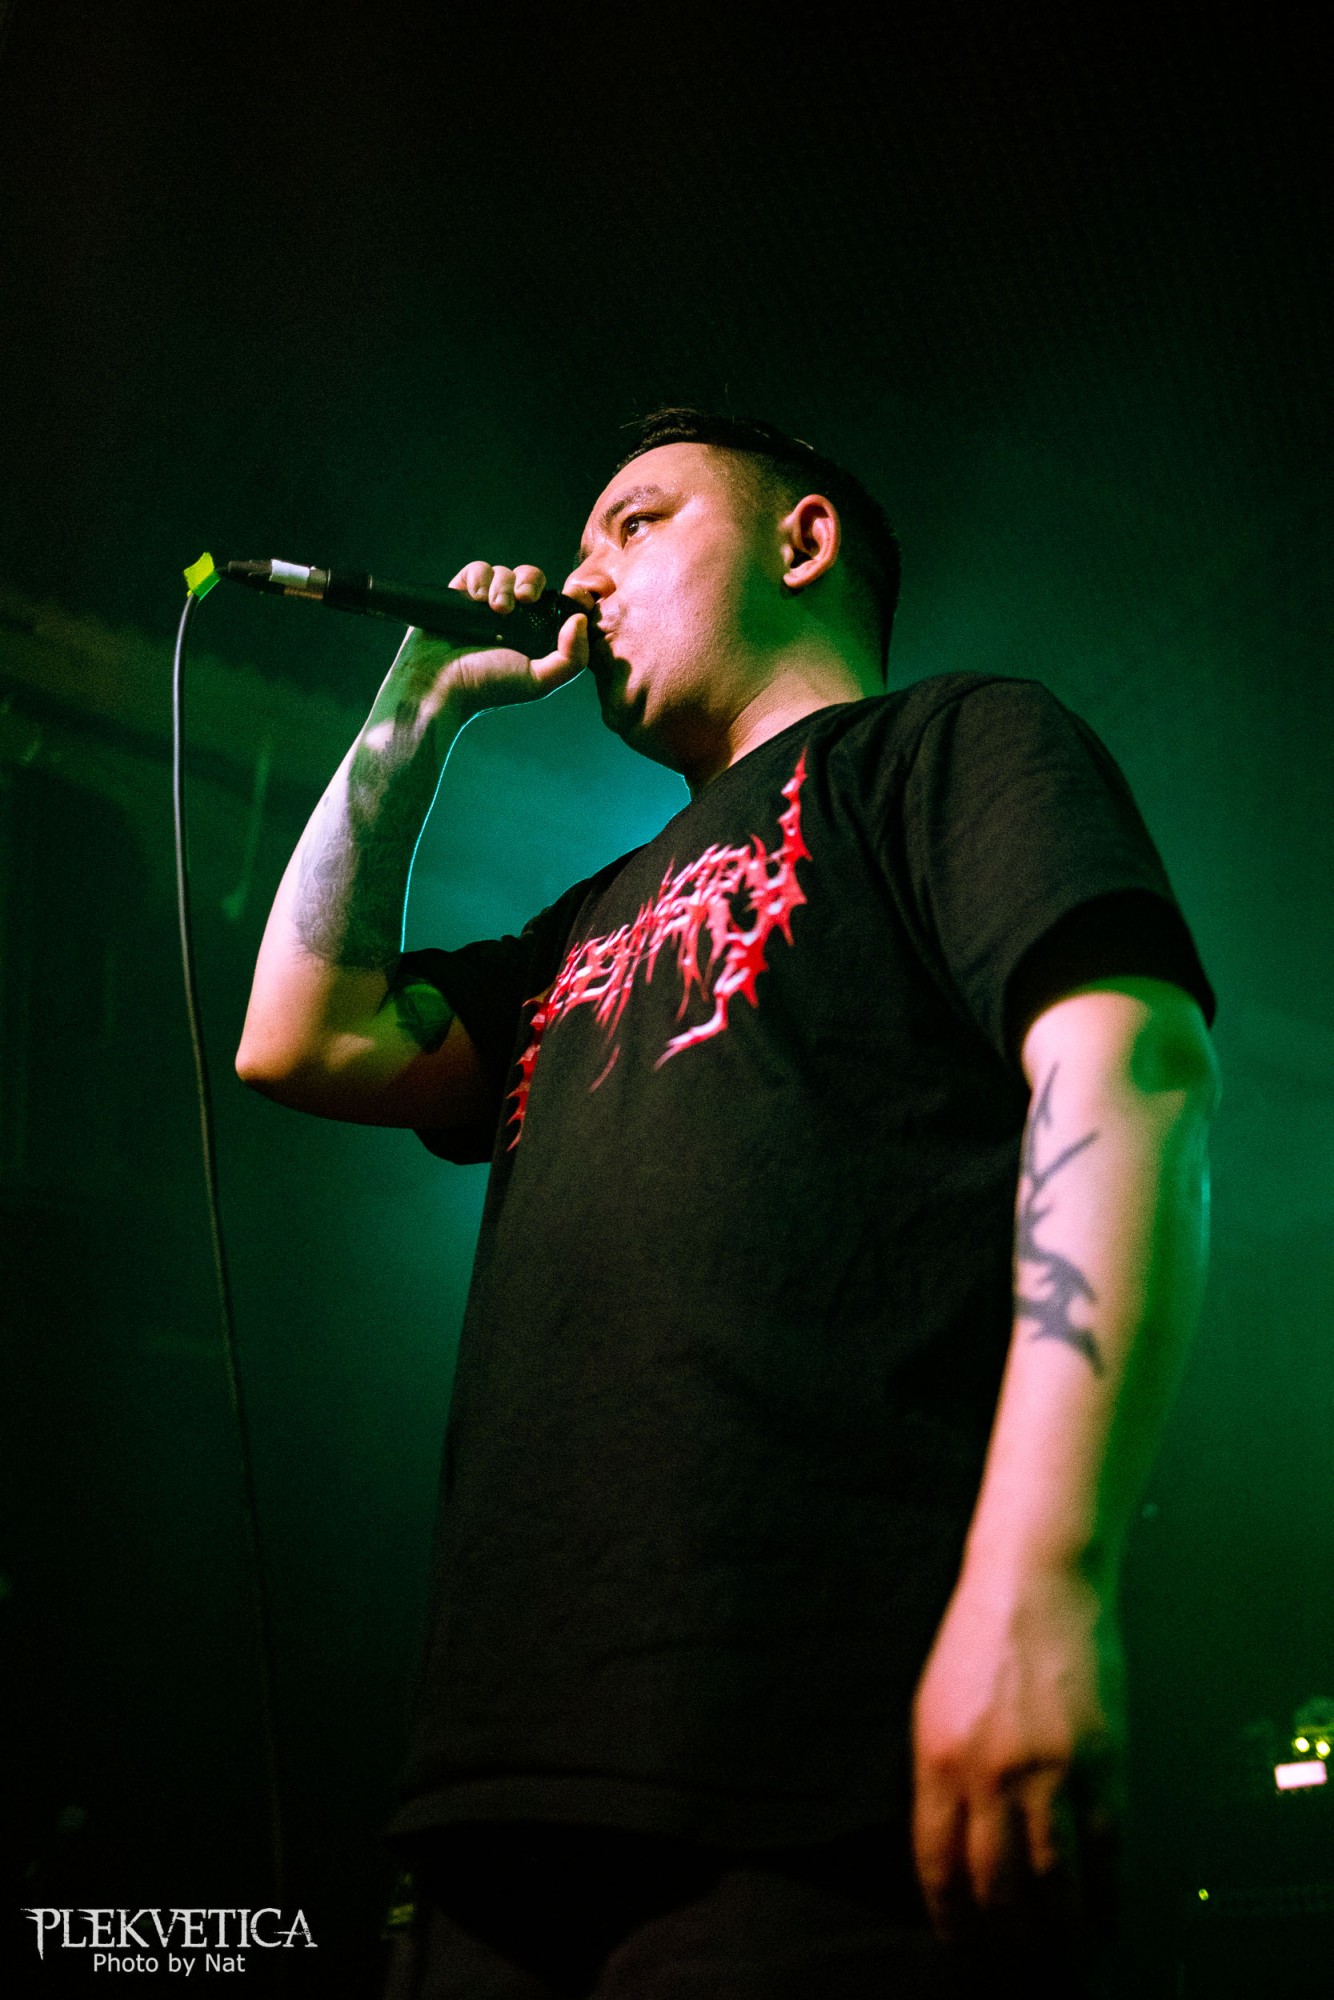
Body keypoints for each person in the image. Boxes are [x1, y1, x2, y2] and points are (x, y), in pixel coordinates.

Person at [236, 409, 1218, 1997]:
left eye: (634, 523)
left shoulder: (944, 748)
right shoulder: (581, 921)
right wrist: (406, 721)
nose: (581, 576)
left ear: (801, 541)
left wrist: (1045, 1580)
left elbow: (1133, 1069)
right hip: (500, 1802)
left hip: (825, 1774)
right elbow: (305, 1036)